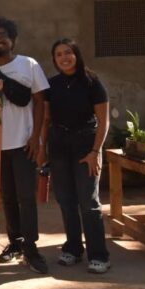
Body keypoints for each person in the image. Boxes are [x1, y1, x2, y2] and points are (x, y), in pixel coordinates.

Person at [0, 17, 50, 274]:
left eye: (2, 35)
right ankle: (14, 243)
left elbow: (40, 103)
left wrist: (36, 138)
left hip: (23, 143)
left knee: (26, 197)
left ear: (12, 39)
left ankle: (32, 248)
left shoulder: (28, 65)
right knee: (7, 197)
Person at [41, 39, 111, 274]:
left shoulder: (92, 82)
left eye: (68, 52)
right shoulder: (52, 85)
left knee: (88, 202)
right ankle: (73, 248)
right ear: (55, 59)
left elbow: (104, 121)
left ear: (76, 54)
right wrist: (43, 148)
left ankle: (99, 255)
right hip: (59, 145)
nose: (64, 57)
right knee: (66, 200)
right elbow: (47, 119)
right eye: (59, 54)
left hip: (85, 146)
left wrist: (95, 152)